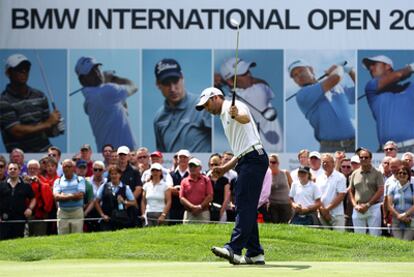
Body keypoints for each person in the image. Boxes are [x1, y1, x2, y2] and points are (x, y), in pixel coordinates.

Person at [196, 87, 269, 265]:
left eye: (206, 104)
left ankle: (234, 249)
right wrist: (224, 168)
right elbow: (240, 150)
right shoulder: (223, 116)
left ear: (215, 98)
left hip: (253, 159)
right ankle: (254, 253)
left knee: (244, 205)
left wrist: (236, 115)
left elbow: (244, 117)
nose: (206, 109)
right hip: (247, 159)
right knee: (246, 205)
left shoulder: (232, 106)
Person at [217, 57, 283, 152]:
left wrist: (224, 82)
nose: (249, 75)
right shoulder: (258, 87)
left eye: (248, 71)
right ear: (231, 81)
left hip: (273, 153)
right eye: (243, 74)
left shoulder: (260, 90)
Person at [288, 59, 355, 152]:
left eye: (301, 71)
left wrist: (351, 71)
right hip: (330, 148)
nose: (298, 75)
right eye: (294, 75)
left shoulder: (338, 87)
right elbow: (335, 78)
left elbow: (360, 90)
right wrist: (339, 68)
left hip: (355, 144)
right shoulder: (302, 94)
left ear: (311, 70)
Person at [0, 54, 63, 153]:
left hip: (46, 155)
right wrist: (48, 124)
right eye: (19, 68)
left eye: (26, 68)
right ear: (8, 72)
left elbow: (47, 131)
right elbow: (17, 131)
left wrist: (55, 129)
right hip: (21, 158)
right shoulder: (3, 101)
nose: (24, 71)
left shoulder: (40, 96)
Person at [75, 56, 138, 151]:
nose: (97, 73)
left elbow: (121, 107)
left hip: (110, 157)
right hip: (123, 155)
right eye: (91, 72)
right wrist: (115, 78)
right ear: (82, 80)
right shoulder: (106, 91)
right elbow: (133, 87)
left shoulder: (89, 101)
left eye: (97, 69)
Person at [153, 58, 211, 152]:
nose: (172, 89)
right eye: (166, 83)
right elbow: (163, 155)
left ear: (182, 77)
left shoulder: (204, 106)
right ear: (158, 84)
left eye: (175, 81)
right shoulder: (158, 118)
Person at [362, 55, 414, 152]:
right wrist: (411, 68)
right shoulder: (371, 87)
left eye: (374, 64)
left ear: (388, 66)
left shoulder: (410, 87)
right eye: (369, 66)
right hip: (387, 152)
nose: (370, 68)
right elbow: (399, 75)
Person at [349, 148, 384, 236]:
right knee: (359, 236)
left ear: (370, 158)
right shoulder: (354, 173)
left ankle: (375, 250)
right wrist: (355, 205)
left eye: (366, 157)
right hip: (358, 207)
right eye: (361, 157)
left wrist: (368, 205)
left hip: (373, 207)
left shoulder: (377, 173)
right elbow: (351, 190)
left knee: (375, 236)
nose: (363, 159)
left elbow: (380, 190)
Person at [95, 165, 137, 231]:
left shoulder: (126, 188)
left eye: (116, 174)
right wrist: (102, 215)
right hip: (107, 219)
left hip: (121, 219)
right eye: (112, 174)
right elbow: (96, 202)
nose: (114, 176)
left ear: (120, 175)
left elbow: (134, 202)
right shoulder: (104, 186)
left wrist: (124, 202)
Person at [0, 162, 35, 240]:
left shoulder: (26, 185)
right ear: (7, 171)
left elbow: (33, 198)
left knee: (18, 242)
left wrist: (30, 208)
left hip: (20, 219)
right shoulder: (1, 185)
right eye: (10, 169)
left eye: (15, 169)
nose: (13, 170)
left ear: (19, 171)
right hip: (4, 220)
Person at [53, 159, 85, 235]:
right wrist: (73, 195)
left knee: (77, 236)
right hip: (63, 212)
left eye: (69, 166)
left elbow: (80, 195)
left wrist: (64, 196)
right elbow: (56, 197)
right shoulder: (58, 181)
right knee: (62, 237)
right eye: (65, 166)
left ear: (73, 168)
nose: (67, 168)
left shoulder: (79, 179)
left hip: (77, 211)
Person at [316, 154, 347, 231]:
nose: (325, 164)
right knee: (324, 240)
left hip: (337, 214)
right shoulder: (319, 178)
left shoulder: (340, 177)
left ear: (333, 163)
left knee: (339, 239)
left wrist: (326, 209)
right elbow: (317, 196)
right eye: (323, 162)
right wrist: (322, 210)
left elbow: (341, 195)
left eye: (327, 162)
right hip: (322, 214)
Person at [179, 158, 213, 224]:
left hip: (203, 212)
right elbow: (182, 198)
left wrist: (200, 207)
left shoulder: (206, 180)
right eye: (190, 166)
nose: (192, 168)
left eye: (195, 166)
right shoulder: (184, 181)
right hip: (189, 212)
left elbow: (210, 196)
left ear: (200, 168)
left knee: (205, 233)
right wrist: (192, 207)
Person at [25, 160, 53, 236]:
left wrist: (40, 183)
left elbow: (48, 198)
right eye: (30, 168)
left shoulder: (44, 181)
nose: (32, 170)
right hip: (25, 214)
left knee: (39, 237)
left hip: (40, 215)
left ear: (39, 169)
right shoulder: (23, 181)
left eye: (34, 168)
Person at [386, 166, 414, 240]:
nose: (402, 175)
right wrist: (399, 216)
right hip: (396, 219)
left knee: (406, 242)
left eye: (404, 173)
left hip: (410, 219)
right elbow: (389, 205)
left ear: (408, 175)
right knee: (398, 242)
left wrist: (405, 215)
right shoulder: (392, 187)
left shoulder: (413, 187)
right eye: (400, 173)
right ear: (397, 175)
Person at [268, 153, 293, 224]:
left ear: (278, 163)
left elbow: (292, 187)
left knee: (285, 225)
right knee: (274, 225)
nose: (271, 164)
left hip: (286, 204)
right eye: (270, 162)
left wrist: (293, 201)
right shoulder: (266, 176)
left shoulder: (285, 173)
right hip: (273, 205)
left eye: (273, 162)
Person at [206, 153, 231, 222]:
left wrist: (220, 213)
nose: (214, 166)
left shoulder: (225, 180)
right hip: (207, 211)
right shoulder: (205, 178)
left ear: (220, 165)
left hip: (221, 210)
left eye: (216, 164)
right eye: (212, 164)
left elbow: (226, 199)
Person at [169, 149, 191, 225]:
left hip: (188, 207)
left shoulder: (192, 174)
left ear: (189, 159)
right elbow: (168, 189)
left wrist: (178, 191)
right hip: (173, 207)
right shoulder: (171, 174)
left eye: (185, 157)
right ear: (177, 159)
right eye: (180, 157)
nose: (182, 159)